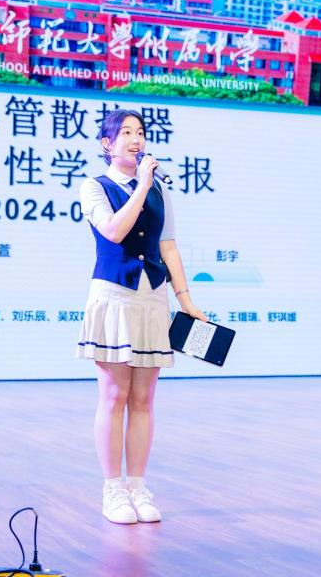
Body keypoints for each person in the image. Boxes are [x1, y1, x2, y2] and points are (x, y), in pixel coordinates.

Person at [77, 109, 208, 525]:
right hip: (114, 295)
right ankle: (112, 489)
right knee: (114, 396)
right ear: (107, 144)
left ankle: (137, 486)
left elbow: (168, 246)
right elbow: (114, 231)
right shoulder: (94, 187)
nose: (136, 139)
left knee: (143, 399)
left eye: (140, 132)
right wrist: (143, 186)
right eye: (126, 133)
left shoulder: (158, 191)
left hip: (152, 296)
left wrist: (185, 299)